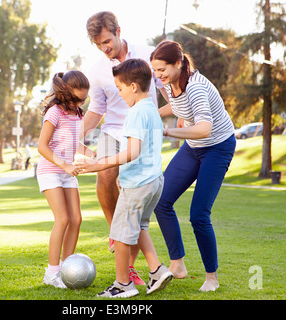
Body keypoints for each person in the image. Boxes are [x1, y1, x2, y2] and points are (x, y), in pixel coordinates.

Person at [83, 11, 169, 285]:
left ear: (118, 31)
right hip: (113, 131)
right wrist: (75, 133)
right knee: (106, 176)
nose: (104, 48)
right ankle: (115, 230)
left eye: (107, 41)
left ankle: (129, 258)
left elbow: (166, 90)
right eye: (98, 45)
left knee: (136, 189)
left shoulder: (148, 54)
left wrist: (159, 118)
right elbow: (97, 109)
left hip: (140, 132)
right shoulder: (97, 71)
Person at [150, 40, 236, 292]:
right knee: (161, 200)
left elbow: (204, 128)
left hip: (218, 147)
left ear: (179, 63)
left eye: (162, 69)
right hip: (194, 147)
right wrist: (151, 114)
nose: (159, 75)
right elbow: (176, 106)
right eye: (155, 71)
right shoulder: (168, 84)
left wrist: (166, 132)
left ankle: (212, 278)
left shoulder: (196, 88)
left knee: (199, 214)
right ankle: (177, 264)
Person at [36, 71, 95, 289]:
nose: (80, 103)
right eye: (77, 99)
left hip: (66, 172)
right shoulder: (54, 112)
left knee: (76, 220)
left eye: (84, 100)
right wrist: (66, 165)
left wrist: (91, 154)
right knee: (62, 219)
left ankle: (67, 269)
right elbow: (42, 146)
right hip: (50, 171)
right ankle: (51, 273)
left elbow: (71, 143)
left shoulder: (77, 114)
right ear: (65, 93)